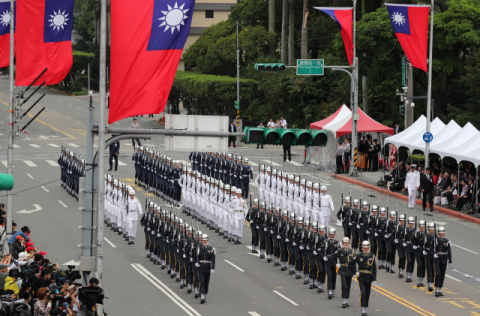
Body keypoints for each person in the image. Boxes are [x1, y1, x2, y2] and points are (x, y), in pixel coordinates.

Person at [348, 240, 377, 316]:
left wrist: (374, 279)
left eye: (367, 248)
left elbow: (374, 269)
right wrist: (355, 272)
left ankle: (366, 309)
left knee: (367, 294)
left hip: (369, 277)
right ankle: (363, 309)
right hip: (361, 277)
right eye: (364, 248)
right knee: (363, 293)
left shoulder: (372, 256)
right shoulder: (358, 256)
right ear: (362, 248)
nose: (366, 249)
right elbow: (350, 264)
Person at [328, 237, 354, 308]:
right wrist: (335, 264)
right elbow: (331, 257)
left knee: (348, 285)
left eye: (347, 243)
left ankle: (346, 299)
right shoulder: (340, 251)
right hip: (342, 270)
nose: (346, 244)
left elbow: (354, 263)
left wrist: (355, 272)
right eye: (345, 243)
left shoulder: (351, 252)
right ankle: (343, 301)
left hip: (349, 270)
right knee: (344, 285)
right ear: (342, 244)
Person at [195, 234, 216, 304]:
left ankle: (205, 293)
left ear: (207, 241)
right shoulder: (199, 248)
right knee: (202, 281)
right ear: (201, 241)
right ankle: (202, 295)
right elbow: (195, 256)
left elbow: (213, 259)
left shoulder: (211, 249)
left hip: (207, 267)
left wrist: (212, 268)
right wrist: (196, 262)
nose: (204, 242)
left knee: (206, 282)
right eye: (203, 240)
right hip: (200, 267)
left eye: (205, 240)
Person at [434, 226, 452, 297]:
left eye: (443, 233)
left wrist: (450, 260)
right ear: (438, 233)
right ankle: (436, 289)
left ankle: (440, 288)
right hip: (437, 259)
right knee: (438, 274)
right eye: (440, 233)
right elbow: (433, 249)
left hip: (444, 259)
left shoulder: (447, 241)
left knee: (442, 275)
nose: (442, 234)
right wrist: (434, 254)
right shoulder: (436, 240)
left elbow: (449, 251)